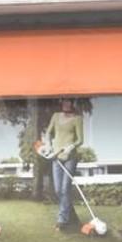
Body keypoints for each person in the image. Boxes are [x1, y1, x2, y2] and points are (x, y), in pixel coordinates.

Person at [45, 98, 84, 230]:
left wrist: (71, 147)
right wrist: (48, 145)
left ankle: (62, 221)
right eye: (64, 101)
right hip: (56, 157)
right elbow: (48, 133)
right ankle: (73, 217)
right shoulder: (56, 116)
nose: (66, 104)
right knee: (58, 190)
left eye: (69, 101)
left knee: (64, 189)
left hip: (70, 157)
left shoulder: (77, 119)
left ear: (73, 103)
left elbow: (80, 140)